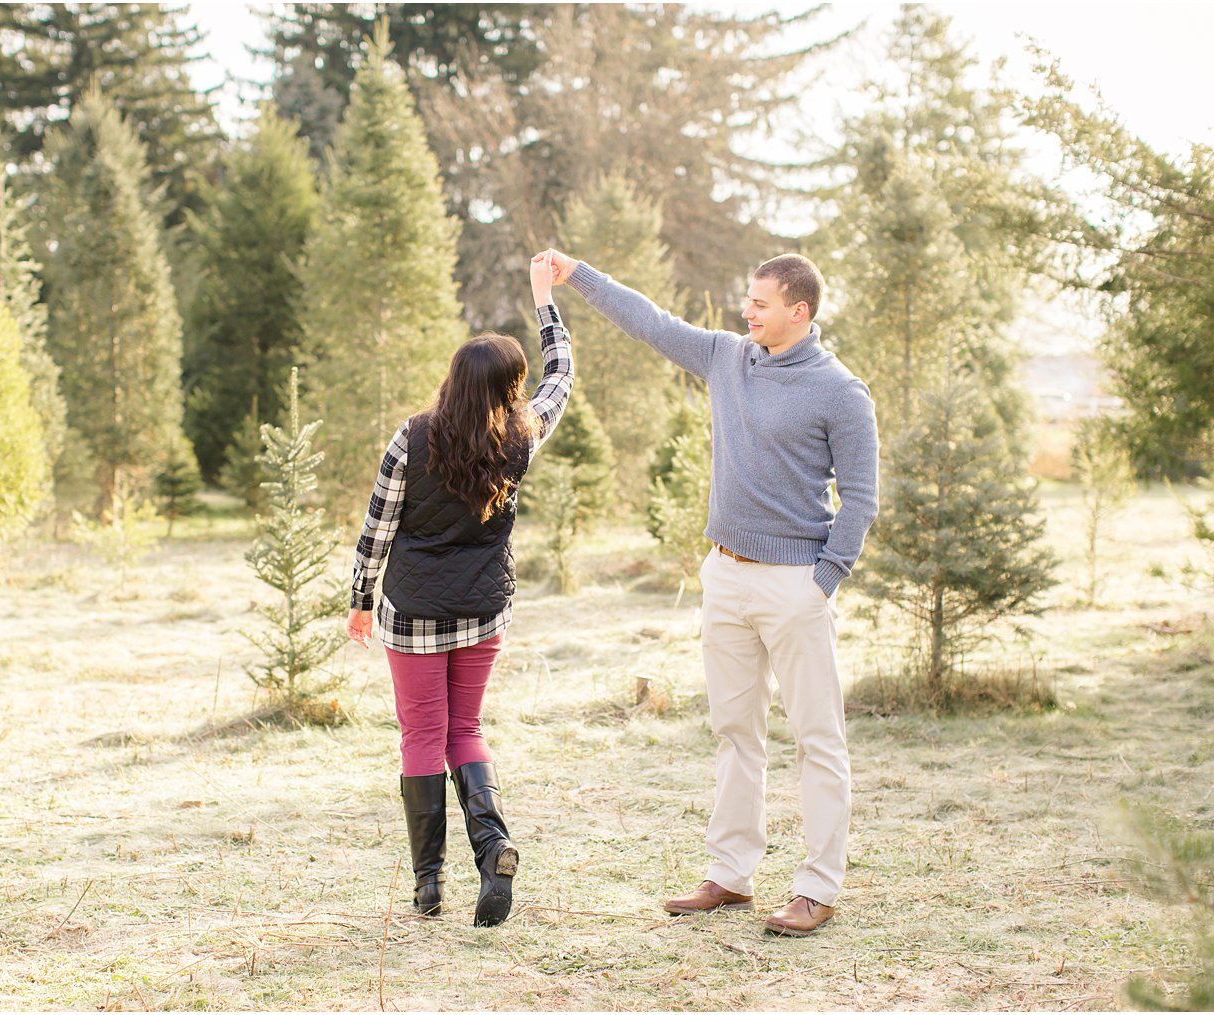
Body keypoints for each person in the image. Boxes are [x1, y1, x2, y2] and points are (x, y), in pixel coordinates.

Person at [535, 248, 879, 937]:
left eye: (760, 302)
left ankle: (817, 885)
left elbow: (861, 497)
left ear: (798, 311)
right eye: (747, 300)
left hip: (795, 585)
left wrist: (823, 581)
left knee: (817, 736)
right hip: (724, 574)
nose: (745, 311)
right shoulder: (728, 357)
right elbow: (652, 323)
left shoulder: (840, 391)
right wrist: (578, 274)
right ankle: (730, 873)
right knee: (734, 731)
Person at [346, 253, 574, 928]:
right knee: (465, 729)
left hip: (413, 613)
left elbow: (377, 524)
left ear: (453, 379)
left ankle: (429, 885)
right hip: (482, 612)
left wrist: (361, 598)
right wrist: (543, 300)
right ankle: (493, 843)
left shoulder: (413, 436)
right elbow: (561, 374)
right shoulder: (523, 435)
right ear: (509, 387)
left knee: (422, 732)